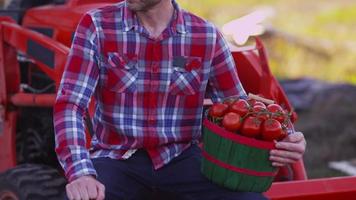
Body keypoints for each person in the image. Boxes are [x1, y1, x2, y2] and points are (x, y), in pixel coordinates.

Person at [54, 0, 307, 199]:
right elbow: (70, 104)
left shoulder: (206, 36)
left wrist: (286, 139)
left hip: (183, 158)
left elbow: (239, 109)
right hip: (116, 158)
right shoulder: (97, 26)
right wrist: (81, 174)